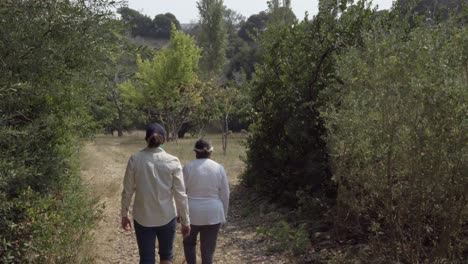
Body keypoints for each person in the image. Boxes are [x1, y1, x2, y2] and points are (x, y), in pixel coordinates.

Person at [121, 123, 191, 264]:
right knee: (166, 257)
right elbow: (180, 194)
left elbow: (127, 190)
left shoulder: (135, 159)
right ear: (164, 139)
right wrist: (185, 220)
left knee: (146, 259)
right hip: (167, 216)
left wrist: (124, 214)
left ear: (146, 139)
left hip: (143, 217)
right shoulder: (173, 161)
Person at [182, 139, 230, 264]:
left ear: (195, 152)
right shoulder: (219, 168)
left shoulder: (187, 167)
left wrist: (179, 213)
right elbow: (225, 193)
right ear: (211, 152)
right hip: (213, 214)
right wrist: (224, 214)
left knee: (188, 243)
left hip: (191, 213)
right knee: (208, 250)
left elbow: (181, 193)